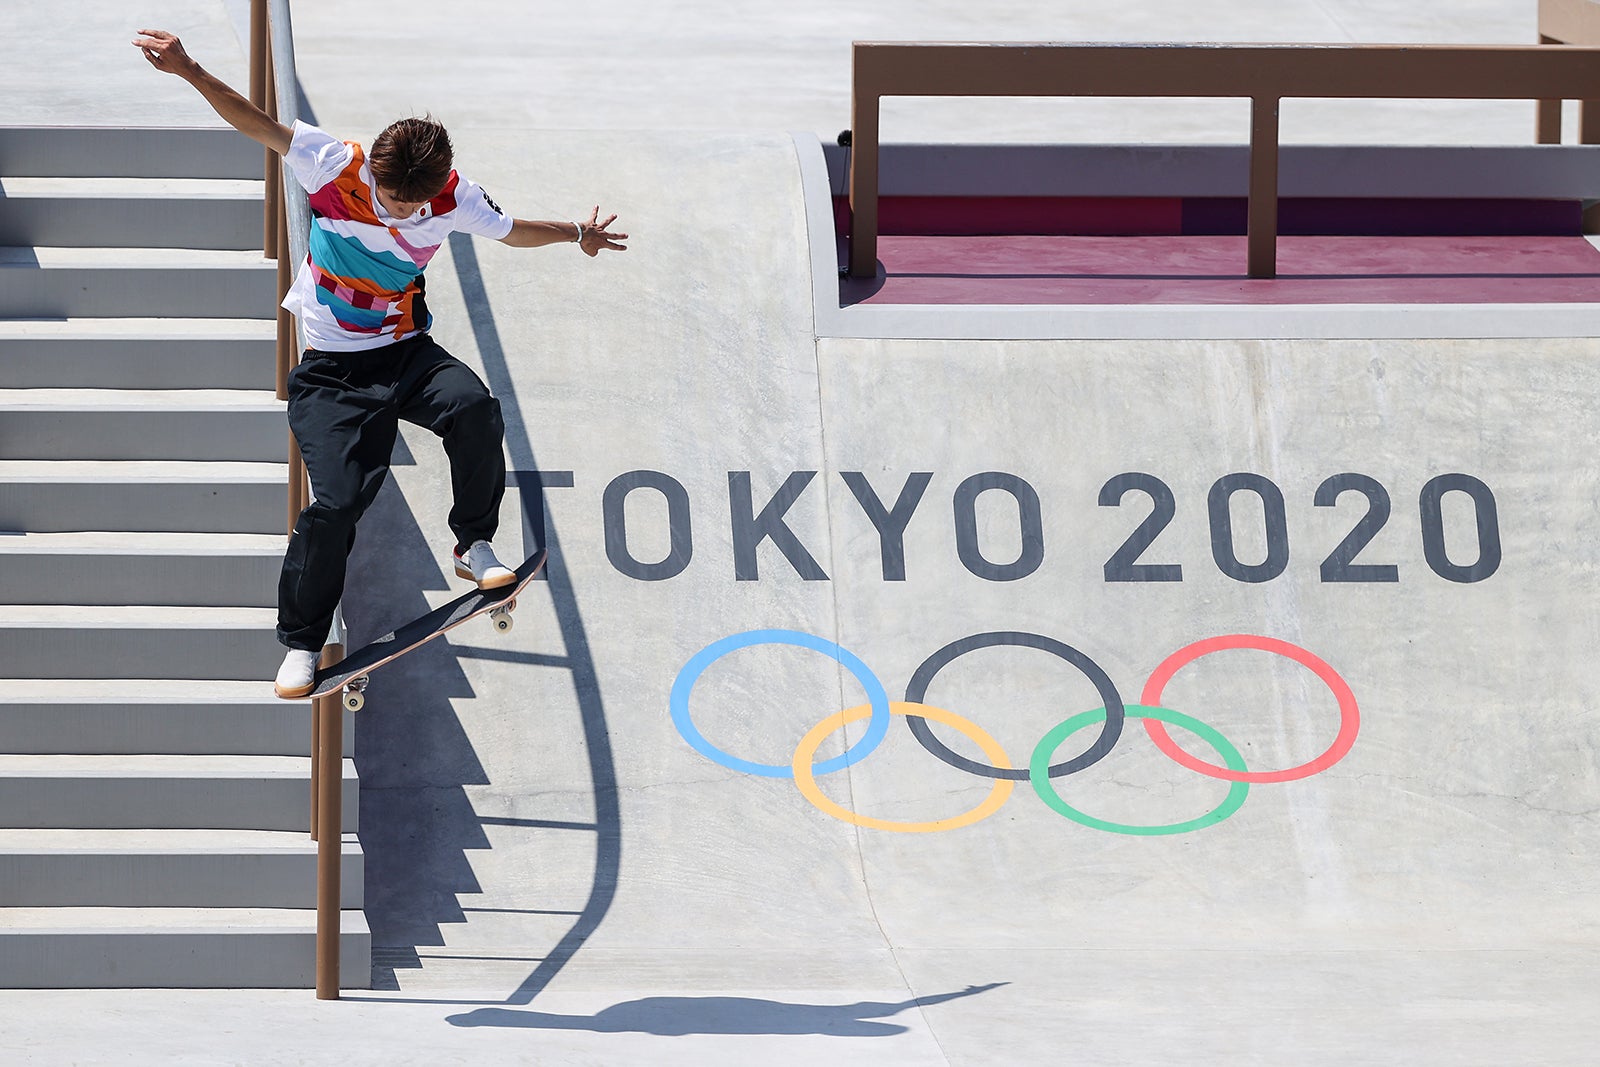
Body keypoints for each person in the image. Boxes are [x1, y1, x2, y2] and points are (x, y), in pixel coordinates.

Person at [133, 29, 627, 699]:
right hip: (331, 371)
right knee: (336, 504)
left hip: (404, 353)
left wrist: (576, 234)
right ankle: (303, 641)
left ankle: (472, 545)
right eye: (393, 202)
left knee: (474, 407)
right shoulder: (333, 163)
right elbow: (256, 122)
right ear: (376, 177)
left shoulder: (454, 197)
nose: (403, 215)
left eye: (413, 208)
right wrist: (190, 69)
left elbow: (514, 233)